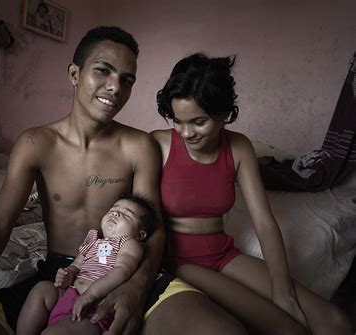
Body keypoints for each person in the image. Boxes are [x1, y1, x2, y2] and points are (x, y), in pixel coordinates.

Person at [0, 27, 247, 335]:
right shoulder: (35, 143)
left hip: (127, 271)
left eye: (127, 79)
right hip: (58, 276)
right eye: (103, 70)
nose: (115, 87)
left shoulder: (138, 146)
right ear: (74, 73)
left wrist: (136, 287)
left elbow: (152, 227)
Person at [151, 52, 353, 335]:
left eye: (198, 122)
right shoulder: (158, 144)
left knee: (336, 323)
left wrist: (284, 292)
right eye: (178, 120)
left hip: (222, 252)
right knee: (288, 330)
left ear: (223, 115)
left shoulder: (238, 147)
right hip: (178, 259)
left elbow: (264, 223)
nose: (186, 133)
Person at [17, 194, 156, 335]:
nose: (115, 213)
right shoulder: (93, 240)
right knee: (42, 289)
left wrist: (91, 294)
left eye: (126, 215)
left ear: (140, 234)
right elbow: (77, 264)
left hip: (94, 308)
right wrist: (68, 273)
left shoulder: (129, 243)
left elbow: (123, 270)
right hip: (69, 295)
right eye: (113, 210)